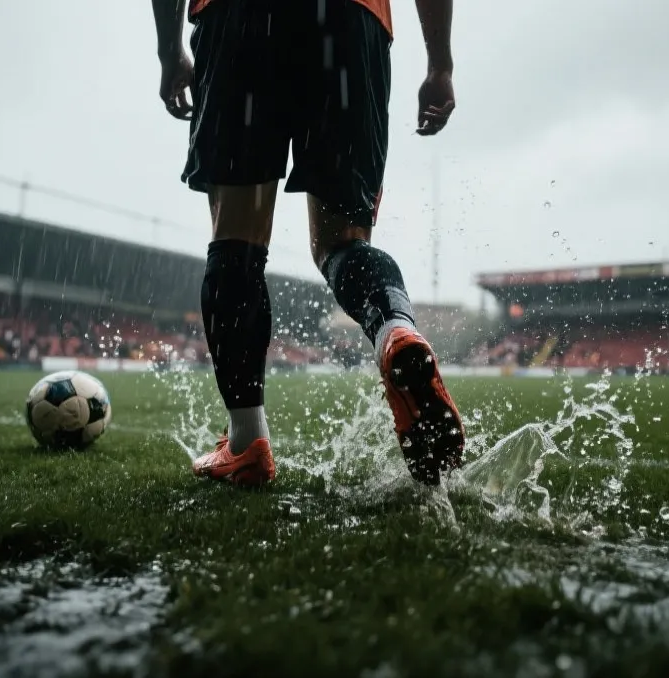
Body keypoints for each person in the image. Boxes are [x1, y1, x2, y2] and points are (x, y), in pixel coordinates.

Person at [150, 0, 464, 486]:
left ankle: (246, 442)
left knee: (238, 237)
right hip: (349, 22)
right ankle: (395, 331)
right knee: (343, 243)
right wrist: (440, 64)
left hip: (240, 20)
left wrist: (169, 51)